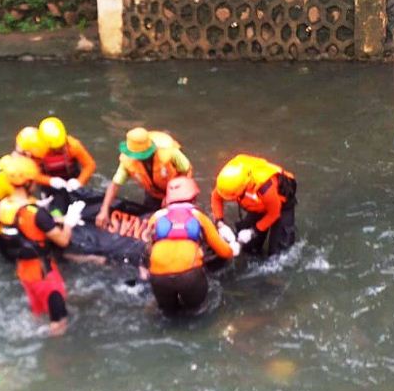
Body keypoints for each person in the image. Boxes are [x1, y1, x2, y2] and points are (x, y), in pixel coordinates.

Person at [0, 154, 85, 336]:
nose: (36, 183)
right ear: (28, 182)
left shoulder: (4, 205)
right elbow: (63, 240)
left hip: (24, 272)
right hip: (43, 274)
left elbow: (27, 221)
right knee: (59, 322)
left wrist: (49, 214)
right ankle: (57, 359)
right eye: (34, 180)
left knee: (38, 313)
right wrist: (68, 222)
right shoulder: (36, 214)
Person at [145, 176, 240, 315]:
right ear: (194, 198)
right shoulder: (199, 217)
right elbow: (223, 251)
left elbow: (147, 248)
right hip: (189, 275)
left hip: (158, 277)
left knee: (167, 314)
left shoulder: (156, 217)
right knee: (196, 312)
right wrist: (234, 249)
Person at [0, 126, 49, 259]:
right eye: (38, 160)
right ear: (27, 155)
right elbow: (21, 202)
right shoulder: (8, 176)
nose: (39, 164)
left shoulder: (8, 163)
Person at [95, 127, 192, 228]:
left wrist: (172, 196)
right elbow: (115, 185)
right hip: (153, 194)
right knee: (151, 222)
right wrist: (104, 210)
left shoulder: (169, 152)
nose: (140, 159)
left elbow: (186, 170)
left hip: (179, 191)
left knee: (181, 223)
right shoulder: (128, 161)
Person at [210, 154, 296, 256]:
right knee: (249, 248)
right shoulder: (226, 182)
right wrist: (220, 224)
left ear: (243, 188)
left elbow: (274, 213)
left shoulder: (264, 186)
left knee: (278, 255)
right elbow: (216, 197)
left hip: (281, 205)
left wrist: (252, 231)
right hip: (258, 205)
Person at [37, 116, 97, 215]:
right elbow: (32, 174)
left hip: (72, 182)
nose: (59, 150)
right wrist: (50, 181)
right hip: (51, 186)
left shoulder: (73, 146)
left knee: (83, 204)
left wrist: (79, 181)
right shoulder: (37, 152)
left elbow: (90, 165)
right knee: (56, 210)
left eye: (61, 147)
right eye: (55, 149)